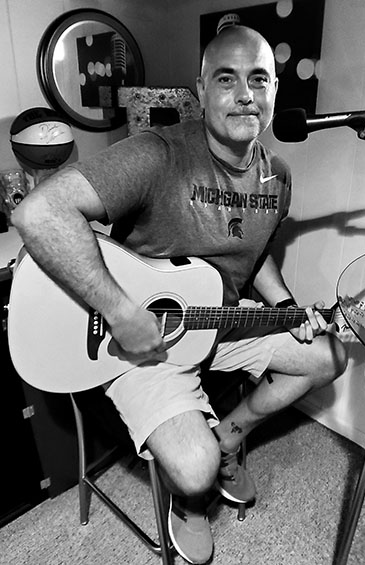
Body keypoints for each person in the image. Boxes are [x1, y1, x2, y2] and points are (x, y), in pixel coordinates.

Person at [12, 25, 347, 565]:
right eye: (226, 79)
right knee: (195, 469)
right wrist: (121, 312)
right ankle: (191, 499)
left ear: (275, 90)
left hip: (222, 318)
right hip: (142, 338)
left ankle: (230, 437)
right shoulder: (156, 154)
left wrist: (286, 310)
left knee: (330, 355)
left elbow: (254, 256)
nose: (244, 95)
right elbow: (39, 213)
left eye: (259, 80)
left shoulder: (277, 177)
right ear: (201, 87)